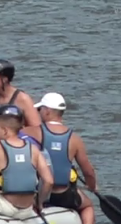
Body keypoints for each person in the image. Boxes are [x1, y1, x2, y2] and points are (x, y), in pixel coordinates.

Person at [36, 93, 98, 224]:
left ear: (47, 111)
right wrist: (92, 186)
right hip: (62, 195)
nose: (38, 112)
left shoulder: (33, 132)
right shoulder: (75, 139)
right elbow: (88, 171)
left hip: (40, 193)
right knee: (88, 206)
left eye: (40, 109)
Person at [0, 106, 52, 220]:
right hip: (27, 209)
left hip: (4, 207)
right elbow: (49, 181)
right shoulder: (34, 149)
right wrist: (39, 203)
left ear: (5, 130)